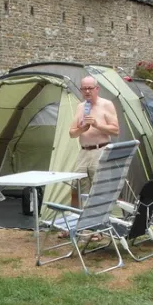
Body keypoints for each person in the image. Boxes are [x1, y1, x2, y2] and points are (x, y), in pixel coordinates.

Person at [68, 76, 119, 207]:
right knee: (76, 187)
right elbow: (72, 133)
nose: (87, 92)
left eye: (90, 88)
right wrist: (82, 128)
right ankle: (75, 220)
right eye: (83, 89)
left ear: (97, 89)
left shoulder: (106, 105)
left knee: (100, 188)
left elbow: (115, 131)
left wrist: (96, 124)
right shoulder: (80, 107)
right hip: (84, 152)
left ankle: (98, 220)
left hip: (100, 150)